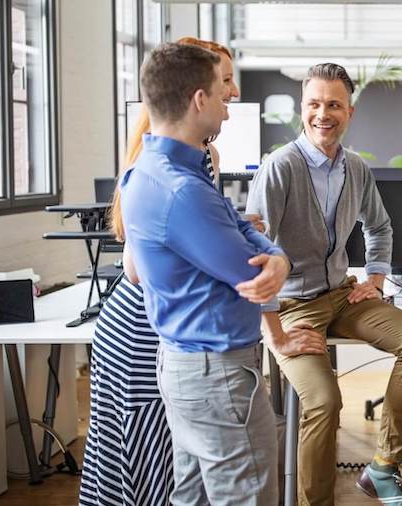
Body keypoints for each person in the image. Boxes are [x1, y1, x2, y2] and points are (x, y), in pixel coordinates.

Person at [78, 37, 279, 506]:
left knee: (190, 492)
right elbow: (248, 270)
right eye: (223, 84)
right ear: (198, 98)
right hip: (200, 360)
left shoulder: (154, 169)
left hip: (180, 355)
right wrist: (274, 255)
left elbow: (229, 224)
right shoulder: (179, 188)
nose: (230, 104)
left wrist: (232, 232)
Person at [245, 63, 402, 506]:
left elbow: (380, 227)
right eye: (314, 104)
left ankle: (383, 468)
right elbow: (254, 253)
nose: (322, 114)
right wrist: (274, 334)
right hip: (292, 306)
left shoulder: (355, 168)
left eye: (333, 104)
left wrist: (374, 276)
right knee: (324, 402)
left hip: (342, 295)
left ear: (349, 112)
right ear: (302, 109)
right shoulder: (280, 167)